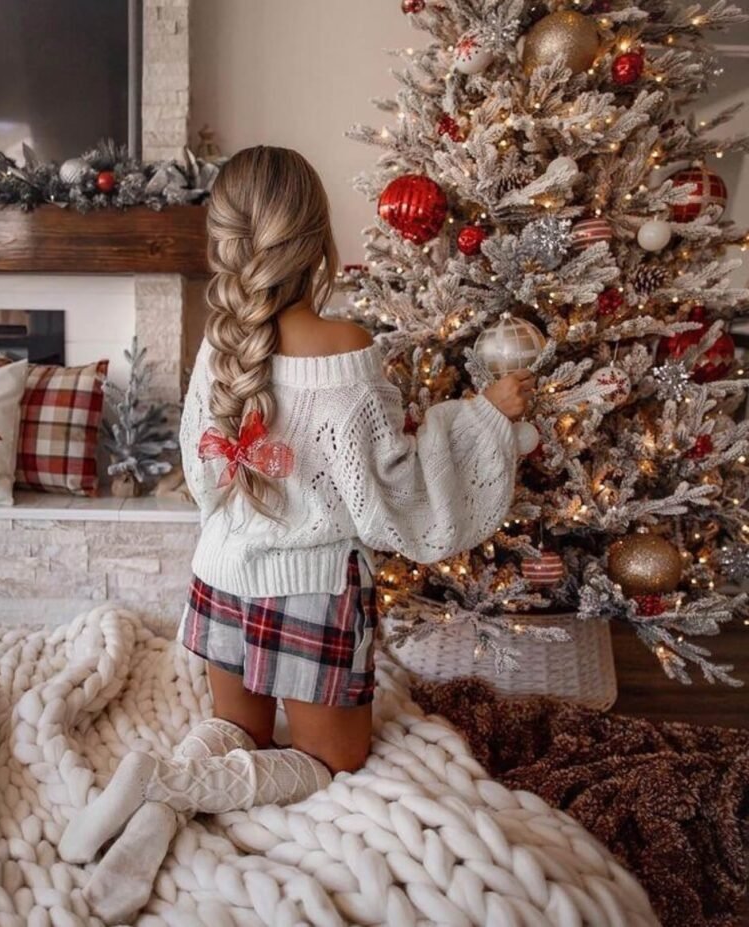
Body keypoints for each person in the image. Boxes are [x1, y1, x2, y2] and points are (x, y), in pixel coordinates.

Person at [57, 146, 533, 923]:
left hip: (221, 576)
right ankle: (171, 783)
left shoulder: (220, 346)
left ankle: (156, 792)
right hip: (309, 596)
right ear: (317, 240)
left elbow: (205, 476)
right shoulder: (346, 353)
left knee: (231, 730)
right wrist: (488, 419)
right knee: (332, 758)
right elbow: (400, 495)